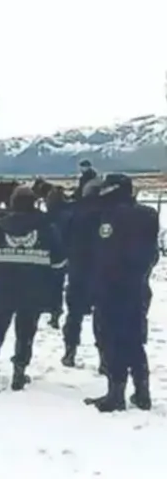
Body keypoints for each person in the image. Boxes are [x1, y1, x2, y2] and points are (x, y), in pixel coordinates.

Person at [0, 185, 65, 391]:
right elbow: (59, 259)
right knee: (26, 332)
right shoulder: (47, 226)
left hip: (2, 287)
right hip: (34, 289)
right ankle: (19, 372)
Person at [84, 174, 158, 412]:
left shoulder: (107, 216)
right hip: (138, 286)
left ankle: (116, 393)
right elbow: (151, 254)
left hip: (111, 288)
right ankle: (142, 392)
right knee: (134, 339)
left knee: (112, 340)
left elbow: (105, 253)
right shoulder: (148, 214)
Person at [61, 180, 105, 369]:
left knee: (74, 315)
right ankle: (104, 357)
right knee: (103, 316)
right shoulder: (109, 213)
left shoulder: (74, 212)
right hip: (103, 271)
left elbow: (63, 238)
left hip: (78, 270)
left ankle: (70, 351)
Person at [45, 189, 73, 330]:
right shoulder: (69, 214)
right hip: (68, 253)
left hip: (51, 255)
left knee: (53, 285)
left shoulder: (49, 217)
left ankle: (54, 312)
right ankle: (56, 313)